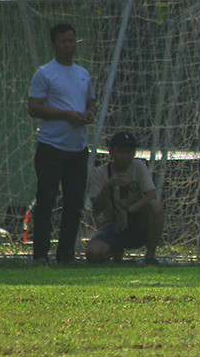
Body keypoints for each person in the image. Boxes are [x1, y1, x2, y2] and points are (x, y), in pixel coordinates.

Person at [27, 23, 97, 264]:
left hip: (77, 149)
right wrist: (67, 115)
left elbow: (91, 102)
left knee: (74, 203)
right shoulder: (45, 73)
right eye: (63, 41)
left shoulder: (82, 73)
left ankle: (65, 255)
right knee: (46, 200)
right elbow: (33, 108)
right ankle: (40, 255)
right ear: (53, 44)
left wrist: (89, 114)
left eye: (71, 40)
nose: (68, 45)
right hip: (51, 147)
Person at [85, 132, 164, 264]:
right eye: (120, 152)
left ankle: (150, 257)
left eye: (129, 152)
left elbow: (151, 195)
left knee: (156, 206)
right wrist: (107, 187)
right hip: (112, 225)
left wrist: (127, 212)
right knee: (93, 254)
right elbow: (97, 209)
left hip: (136, 223)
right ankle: (114, 250)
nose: (125, 157)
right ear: (111, 152)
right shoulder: (100, 173)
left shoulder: (138, 166)